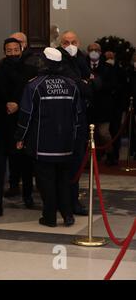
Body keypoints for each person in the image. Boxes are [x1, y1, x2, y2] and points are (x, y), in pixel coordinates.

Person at [15, 48, 82, 227]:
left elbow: (25, 115)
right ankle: (68, 215)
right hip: (66, 144)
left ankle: (50, 217)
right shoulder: (71, 84)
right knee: (64, 181)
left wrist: (20, 137)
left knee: (46, 182)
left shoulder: (34, 85)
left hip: (42, 143)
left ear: (44, 62)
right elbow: (78, 115)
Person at [0, 38, 37, 219]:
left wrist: (18, 104)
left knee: (25, 164)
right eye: (9, 50)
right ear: (4, 52)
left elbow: (33, 97)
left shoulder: (32, 71)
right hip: (2, 124)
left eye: (16, 50)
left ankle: (28, 196)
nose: (13, 53)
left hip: (23, 124)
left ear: (21, 49)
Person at [57, 31, 91, 216]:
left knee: (77, 163)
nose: (70, 45)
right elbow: (77, 85)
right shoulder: (57, 60)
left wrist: (87, 83)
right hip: (63, 120)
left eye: (73, 42)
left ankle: (73, 201)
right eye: (66, 42)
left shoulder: (82, 58)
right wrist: (85, 83)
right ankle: (64, 202)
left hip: (80, 119)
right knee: (64, 164)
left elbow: (94, 85)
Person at [87, 43, 118, 165]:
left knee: (103, 133)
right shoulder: (84, 66)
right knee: (89, 135)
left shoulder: (108, 68)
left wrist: (98, 83)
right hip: (89, 106)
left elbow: (113, 85)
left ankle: (110, 155)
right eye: (91, 50)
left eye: (96, 50)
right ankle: (91, 159)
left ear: (100, 52)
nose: (94, 52)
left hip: (103, 106)